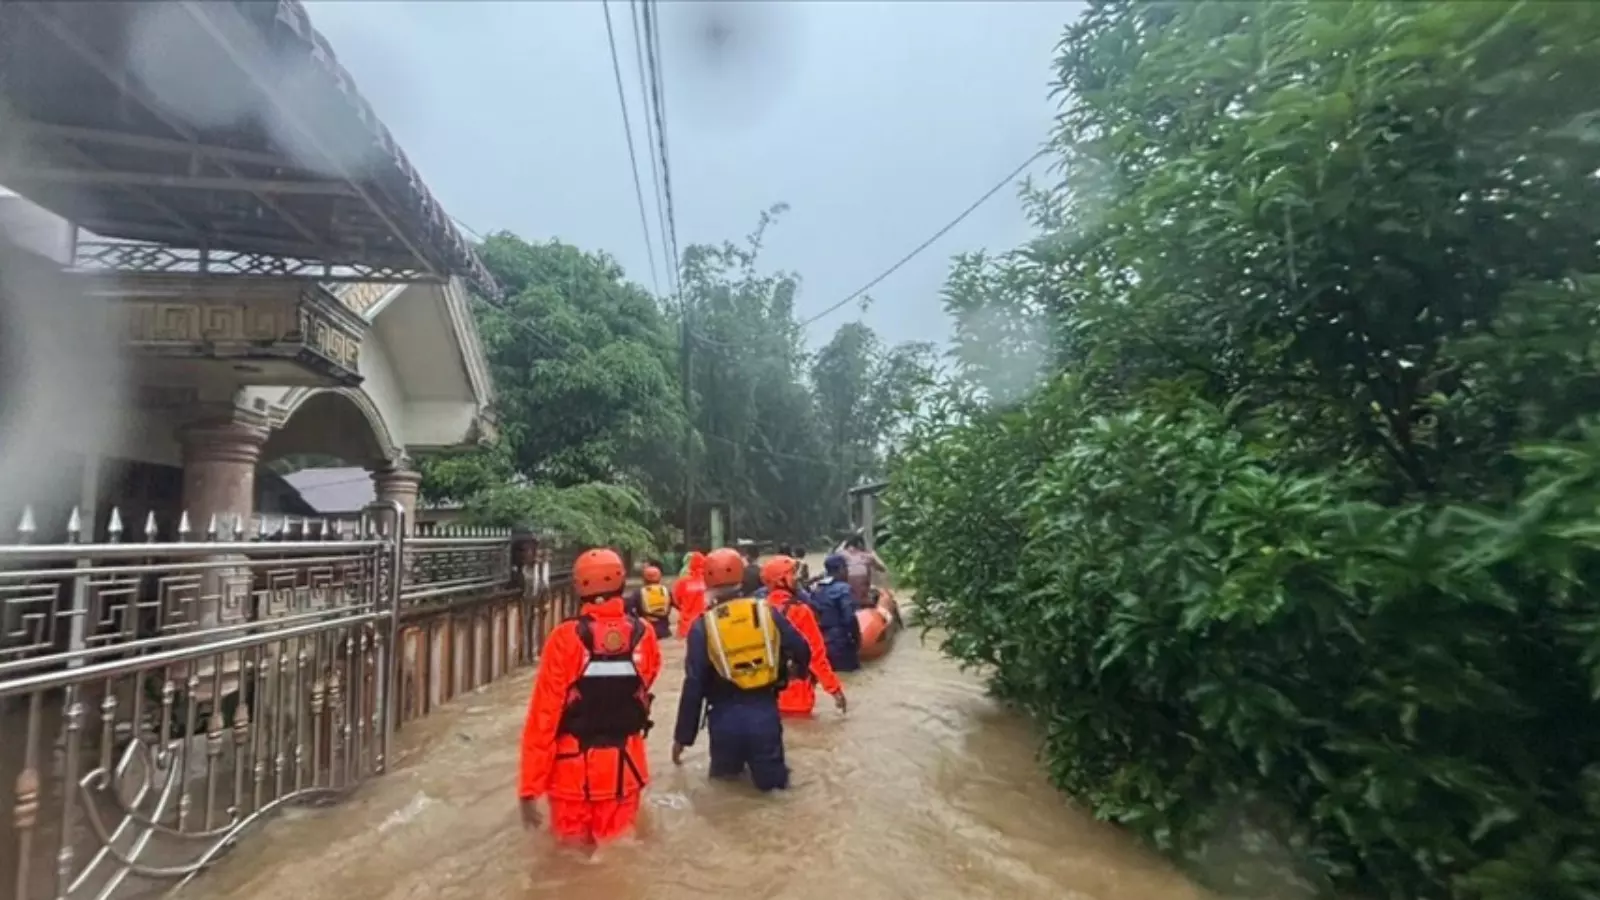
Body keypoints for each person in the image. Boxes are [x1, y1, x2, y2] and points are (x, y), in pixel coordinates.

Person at [518, 547, 663, 848]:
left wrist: (529, 787)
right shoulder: (645, 633)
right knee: (618, 858)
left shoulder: (564, 637)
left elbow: (544, 716)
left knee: (568, 863)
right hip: (625, 770)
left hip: (571, 774)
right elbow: (645, 682)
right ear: (622, 583)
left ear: (578, 586)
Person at [672, 547, 811, 791]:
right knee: (775, 791)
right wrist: (796, 673)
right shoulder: (766, 612)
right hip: (764, 713)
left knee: (726, 789)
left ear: (707, 581)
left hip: (723, 720)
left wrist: (683, 738)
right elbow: (801, 648)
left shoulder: (702, 627)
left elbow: (694, 686)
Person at [761, 555, 846, 718]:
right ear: (781, 580)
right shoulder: (800, 611)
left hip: (764, 699)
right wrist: (835, 690)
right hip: (796, 697)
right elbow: (816, 655)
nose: (796, 579)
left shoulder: (758, 610)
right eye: (792, 574)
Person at [809, 553, 862, 673]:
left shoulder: (816, 589)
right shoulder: (843, 589)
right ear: (840, 569)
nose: (847, 572)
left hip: (820, 644)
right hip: (840, 644)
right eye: (846, 568)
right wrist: (856, 639)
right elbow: (849, 618)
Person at [839, 534, 887, 608]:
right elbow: (883, 568)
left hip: (845, 599)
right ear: (861, 545)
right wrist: (873, 554)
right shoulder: (867, 556)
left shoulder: (840, 555)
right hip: (863, 599)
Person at [625, 564, 673, 639]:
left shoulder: (638, 593)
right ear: (659, 578)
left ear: (644, 579)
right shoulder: (666, 591)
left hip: (646, 631)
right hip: (664, 631)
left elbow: (629, 609)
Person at [672, 550, 707, 639]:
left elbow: (676, 600)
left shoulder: (682, 582)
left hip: (685, 627)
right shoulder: (709, 581)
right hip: (705, 625)